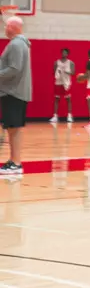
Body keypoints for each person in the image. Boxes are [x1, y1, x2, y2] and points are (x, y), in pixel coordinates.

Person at [0, 16, 32, 175]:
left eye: (7, 26)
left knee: (14, 128)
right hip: (14, 91)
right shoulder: (20, 44)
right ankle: (13, 161)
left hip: (13, 92)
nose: (5, 28)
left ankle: (16, 163)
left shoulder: (16, 44)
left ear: (13, 27)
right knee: (13, 128)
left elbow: (14, 68)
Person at [51, 47, 75, 124]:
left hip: (67, 83)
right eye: (62, 52)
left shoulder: (71, 63)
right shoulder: (56, 62)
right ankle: (55, 116)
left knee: (68, 100)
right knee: (56, 99)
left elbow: (73, 73)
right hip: (58, 82)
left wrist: (66, 72)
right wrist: (58, 72)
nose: (63, 53)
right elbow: (54, 72)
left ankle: (69, 116)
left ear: (67, 54)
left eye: (65, 52)